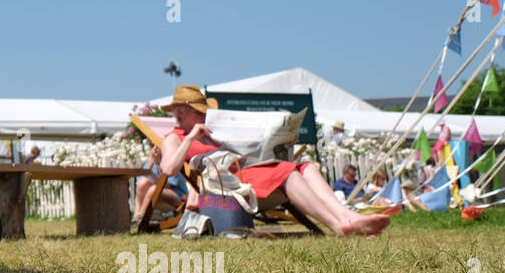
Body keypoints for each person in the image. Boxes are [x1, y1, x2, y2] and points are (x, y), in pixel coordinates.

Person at [158, 85, 391, 236]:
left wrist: (280, 142)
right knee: (288, 172)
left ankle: (347, 216)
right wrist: (190, 138)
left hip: (248, 168)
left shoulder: (211, 130)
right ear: (181, 113)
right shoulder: (175, 138)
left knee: (307, 166)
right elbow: (168, 168)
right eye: (198, 112)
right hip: (229, 182)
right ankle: (338, 225)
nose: (203, 115)